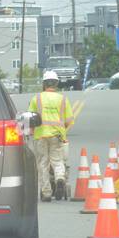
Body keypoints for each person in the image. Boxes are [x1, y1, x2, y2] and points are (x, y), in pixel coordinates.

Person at [29, 70, 71, 201]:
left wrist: (30, 131)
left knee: (43, 163)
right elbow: (69, 120)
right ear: (56, 83)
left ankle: (46, 193)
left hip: (40, 135)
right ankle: (59, 178)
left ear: (44, 83)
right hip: (57, 135)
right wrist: (62, 131)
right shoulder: (63, 99)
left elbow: (30, 118)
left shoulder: (37, 99)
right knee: (57, 161)